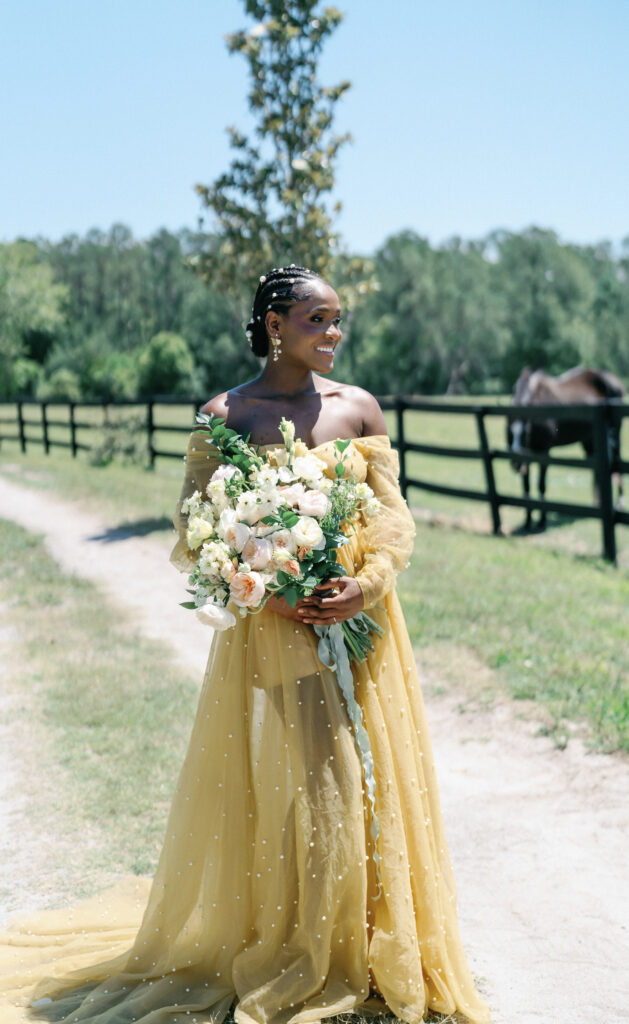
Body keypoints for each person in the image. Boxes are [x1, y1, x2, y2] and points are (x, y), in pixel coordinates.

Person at [0, 265, 491, 1024]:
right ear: (272, 324)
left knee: (370, 775)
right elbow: (195, 532)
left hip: (362, 626)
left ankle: (370, 945)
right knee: (307, 783)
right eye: (315, 320)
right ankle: (306, 947)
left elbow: (394, 518)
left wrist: (369, 582)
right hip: (275, 631)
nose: (332, 334)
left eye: (336, 321)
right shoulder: (224, 415)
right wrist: (259, 574)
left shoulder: (358, 409)